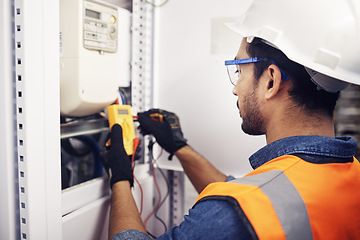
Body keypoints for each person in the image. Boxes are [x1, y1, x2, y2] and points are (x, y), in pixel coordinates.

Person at [103, 0, 360, 239]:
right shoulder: (351, 174)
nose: (235, 88)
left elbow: (243, 204)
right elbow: (260, 196)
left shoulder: (235, 213)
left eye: (239, 70)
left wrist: (121, 176)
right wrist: (179, 147)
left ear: (271, 80)